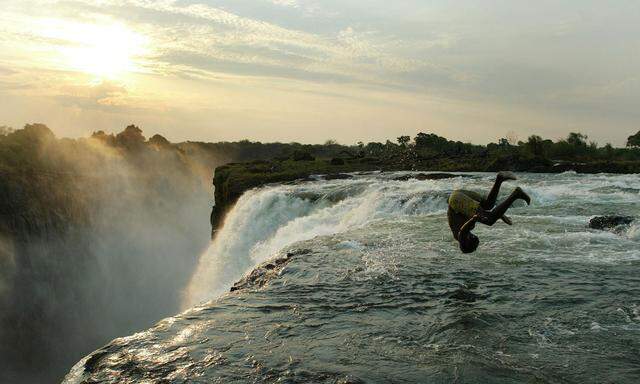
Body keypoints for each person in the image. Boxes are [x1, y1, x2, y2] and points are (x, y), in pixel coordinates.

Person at [447, 171, 531, 253]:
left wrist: (473, 219)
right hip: (458, 195)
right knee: (488, 205)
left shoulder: (460, 238)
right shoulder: (466, 231)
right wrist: (501, 215)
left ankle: (516, 194)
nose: (477, 246)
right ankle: (500, 178)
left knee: (489, 220)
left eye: (475, 247)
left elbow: (463, 230)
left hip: (457, 200)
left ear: (468, 244)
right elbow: (482, 212)